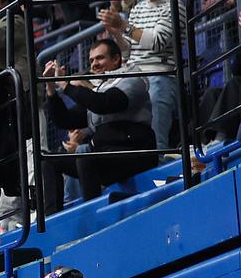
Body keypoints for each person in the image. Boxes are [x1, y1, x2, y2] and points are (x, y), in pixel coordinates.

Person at [43, 40, 157, 202]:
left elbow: (104, 103)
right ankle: (50, 222)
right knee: (49, 160)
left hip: (135, 154)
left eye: (100, 58)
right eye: (91, 60)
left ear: (116, 59)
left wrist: (65, 84)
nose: (94, 64)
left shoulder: (133, 78)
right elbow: (65, 120)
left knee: (87, 158)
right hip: (107, 158)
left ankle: (93, 213)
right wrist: (51, 89)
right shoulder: (98, 89)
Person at [97, 0, 177, 149]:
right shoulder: (137, 9)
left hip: (160, 76)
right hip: (134, 78)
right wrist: (115, 32)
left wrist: (123, 25)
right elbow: (128, 53)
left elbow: (156, 43)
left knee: (157, 144)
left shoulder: (173, 6)